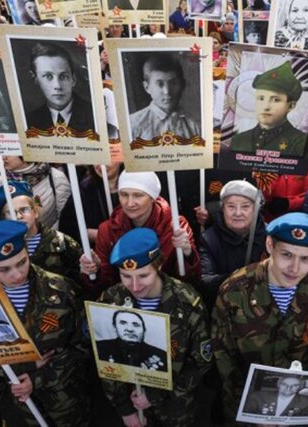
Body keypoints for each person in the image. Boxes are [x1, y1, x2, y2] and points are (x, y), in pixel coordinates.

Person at [0, 220, 90, 426]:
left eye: (22, 262)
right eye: (4, 269)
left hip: (66, 393)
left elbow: (84, 345)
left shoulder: (61, 290)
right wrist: (25, 367)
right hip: (22, 398)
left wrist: (39, 376)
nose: (17, 274)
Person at [211, 212, 308, 422]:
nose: (295, 268)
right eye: (286, 255)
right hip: (245, 404)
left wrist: (297, 404)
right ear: (270, 245)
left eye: (305, 259)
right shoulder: (236, 290)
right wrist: (255, 408)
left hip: (297, 405)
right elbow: (223, 354)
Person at [98, 227, 212, 426]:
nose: (135, 286)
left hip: (175, 407)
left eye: (143, 276)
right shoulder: (110, 301)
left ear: (158, 266)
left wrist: (154, 395)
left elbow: (201, 361)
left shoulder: (186, 301)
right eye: (126, 276)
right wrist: (124, 409)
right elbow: (106, 361)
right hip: (131, 405)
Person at [79, 171, 201, 298]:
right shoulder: (107, 230)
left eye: (138, 195)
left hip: (167, 301)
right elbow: (102, 289)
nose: (130, 203)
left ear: (153, 197)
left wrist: (188, 253)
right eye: (124, 194)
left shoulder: (175, 227)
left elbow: (191, 283)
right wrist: (94, 271)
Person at [0, 180, 83, 285]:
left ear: (35, 212)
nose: (19, 216)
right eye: (11, 213)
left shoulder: (61, 242)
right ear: (4, 219)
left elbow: (80, 281)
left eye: (24, 209)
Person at [199, 180, 266, 310]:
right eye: (231, 206)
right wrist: (243, 278)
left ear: (255, 209)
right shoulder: (209, 239)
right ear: (222, 208)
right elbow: (206, 281)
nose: (238, 213)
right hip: (224, 307)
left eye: (245, 206)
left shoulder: (269, 236)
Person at [230, 62, 307, 156]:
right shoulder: (238, 140)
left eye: (276, 100)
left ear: (291, 106)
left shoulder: (301, 143)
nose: (265, 107)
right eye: (261, 98)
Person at [26, 42, 96, 138]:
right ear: (36, 79)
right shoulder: (29, 120)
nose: (57, 86)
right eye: (48, 76)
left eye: (63, 76)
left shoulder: (95, 114)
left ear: (73, 79)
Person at [129, 54, 200, 144]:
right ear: (147, 87)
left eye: (173, 83)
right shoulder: (133, 124)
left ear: (182, 85)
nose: (167, 91)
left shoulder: (195, 123)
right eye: (160, 84)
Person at [0, 156, 72, 230]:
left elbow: (64, 218)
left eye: (11, 151)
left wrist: (47, 238)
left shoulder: (56, 177)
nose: (3, 157)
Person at [96, 310, 167, 370]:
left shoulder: (162, 355)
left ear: (144, 330)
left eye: (136, 325)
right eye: (123, 323)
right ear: (115, 327)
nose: (130, 329)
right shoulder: (99, 347)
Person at [242, 375, 308, 416]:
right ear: (278, 385)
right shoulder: (257, 396)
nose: (288, 388)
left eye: (294, 385)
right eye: (284, 384)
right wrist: (258, 424)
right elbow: (245, 418)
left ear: (300, 387)